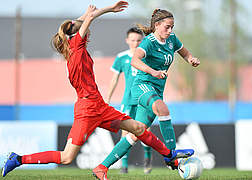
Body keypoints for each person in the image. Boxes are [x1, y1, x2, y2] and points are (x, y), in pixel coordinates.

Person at [1, 2, 194, 180]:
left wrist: (85, 15)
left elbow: (81, 23)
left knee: (138, 128)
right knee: (67, 157)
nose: (88, 33)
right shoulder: (76, 46)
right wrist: (108, 9)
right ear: (75, 36)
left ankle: (168, 155)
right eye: (84, 30)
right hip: (87, 109)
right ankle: (18, 159)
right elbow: (89, 21)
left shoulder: (73, 47)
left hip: (98, 106)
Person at [96, 8, 200, 175]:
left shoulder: (172, 39)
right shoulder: (149, 42)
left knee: (136, 133)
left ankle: (101, 168)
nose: (170, 30)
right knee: (163, 109)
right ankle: (172, 155)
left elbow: (183, 51)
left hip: (156, 89)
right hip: (142, 86)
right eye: (167, 27)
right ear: (157, 25)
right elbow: (134, 61)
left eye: (172, 27)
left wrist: (191, 59)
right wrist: (153, 72)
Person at [106, 27, 152, 174]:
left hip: (143, 98)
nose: (135, 43)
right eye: (132, 40)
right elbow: (114, 79)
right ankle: (124, 166)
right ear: (127, 40)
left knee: (145, 130)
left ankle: (147, 160)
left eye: (138, 40)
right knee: (125, 131)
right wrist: (108, 98)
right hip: (127, 99)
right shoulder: (121, 57)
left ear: (142, 41)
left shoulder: (146, 56)